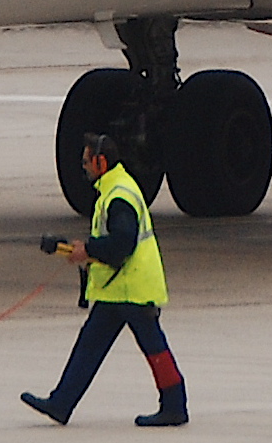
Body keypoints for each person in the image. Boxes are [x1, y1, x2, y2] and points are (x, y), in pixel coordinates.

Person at [24, 134, 189, 427]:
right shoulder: (114, 189)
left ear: (101, 162)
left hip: (132, 288)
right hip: (117, 289)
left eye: (87, 161)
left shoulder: (119, 197)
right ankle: (61, 403)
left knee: (152, 347)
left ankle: (175, 405)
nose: (84, 167)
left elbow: (122, 244)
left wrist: (87, 249)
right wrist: (81, 249)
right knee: (90, 345)